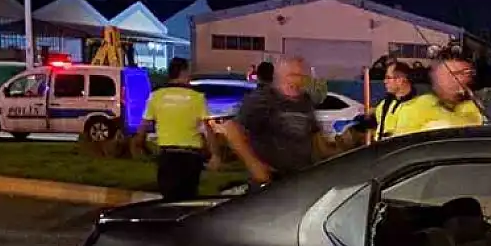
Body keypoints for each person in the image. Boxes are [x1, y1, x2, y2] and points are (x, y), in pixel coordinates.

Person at [223, 57, 366, 188]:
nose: (298, 80)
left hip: (300, 180)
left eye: (302, 76)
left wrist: (341, 152)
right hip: (271, 183)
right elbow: (232, 128)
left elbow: (316, 140)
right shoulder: (263, 99)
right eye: (293, 75)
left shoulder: (304, 102)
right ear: (279, 77)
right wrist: (255, 165)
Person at [132, 57, 210, 201]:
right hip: (191, 157)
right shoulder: (197, 97)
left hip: (167, 156)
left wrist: (143, 148)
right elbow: (207, 129)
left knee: (169, 199)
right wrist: (215, 154)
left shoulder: (156, 96)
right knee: (189, 199)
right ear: (184, 72)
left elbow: (142, 129)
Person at [379, 53, 485, 138]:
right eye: (448, 74)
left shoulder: (471, 110)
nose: (456, 80)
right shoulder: (420, 104)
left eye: (463, 73)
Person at [366, 59, 419, 142]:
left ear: (400, 80)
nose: (385, 81)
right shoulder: (385, 104)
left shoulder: (419, 106)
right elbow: (373, 122)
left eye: (388, 78)